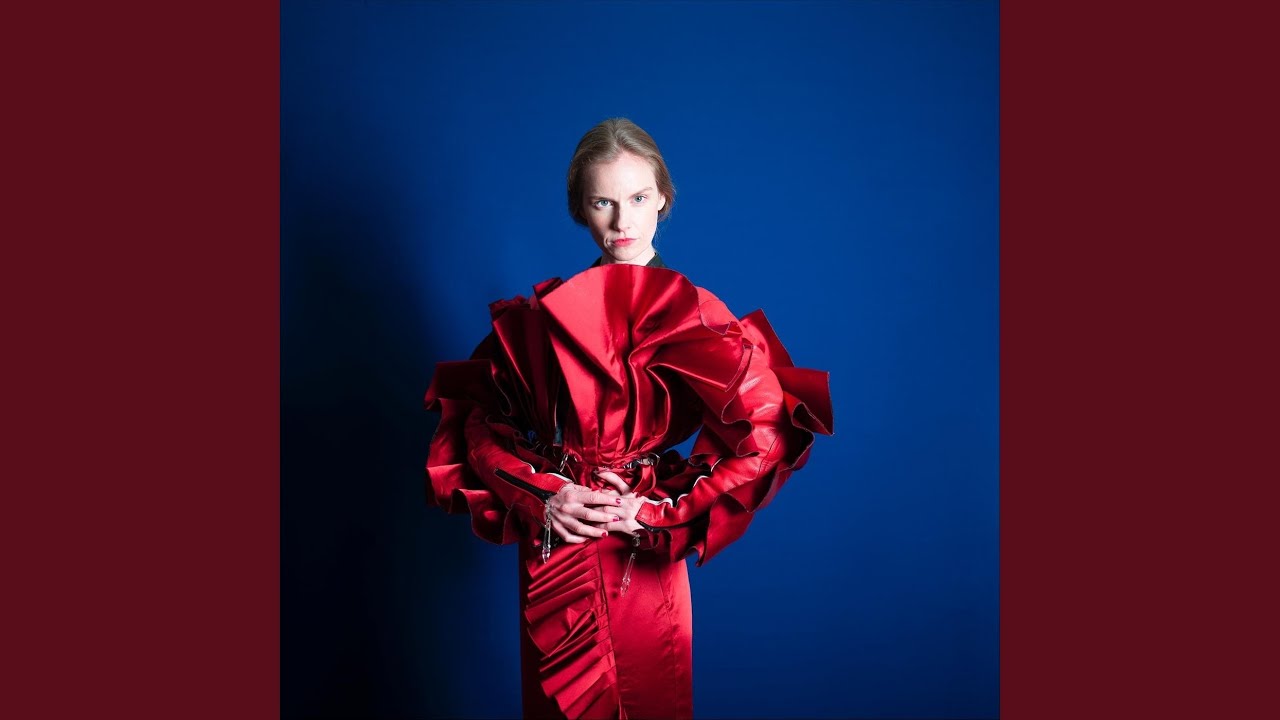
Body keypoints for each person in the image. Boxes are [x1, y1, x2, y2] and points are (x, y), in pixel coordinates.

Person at [424, 118, 834, 719]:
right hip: (555, 542)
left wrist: (659, 511)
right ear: (580, 210)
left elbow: (769, 432)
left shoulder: (697, 316)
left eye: (638, 199)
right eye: (603, 202)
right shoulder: (542, 318)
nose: (622, 221)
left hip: (637, 554)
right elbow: (478, 426)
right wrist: (544, 496)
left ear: (663, 198)